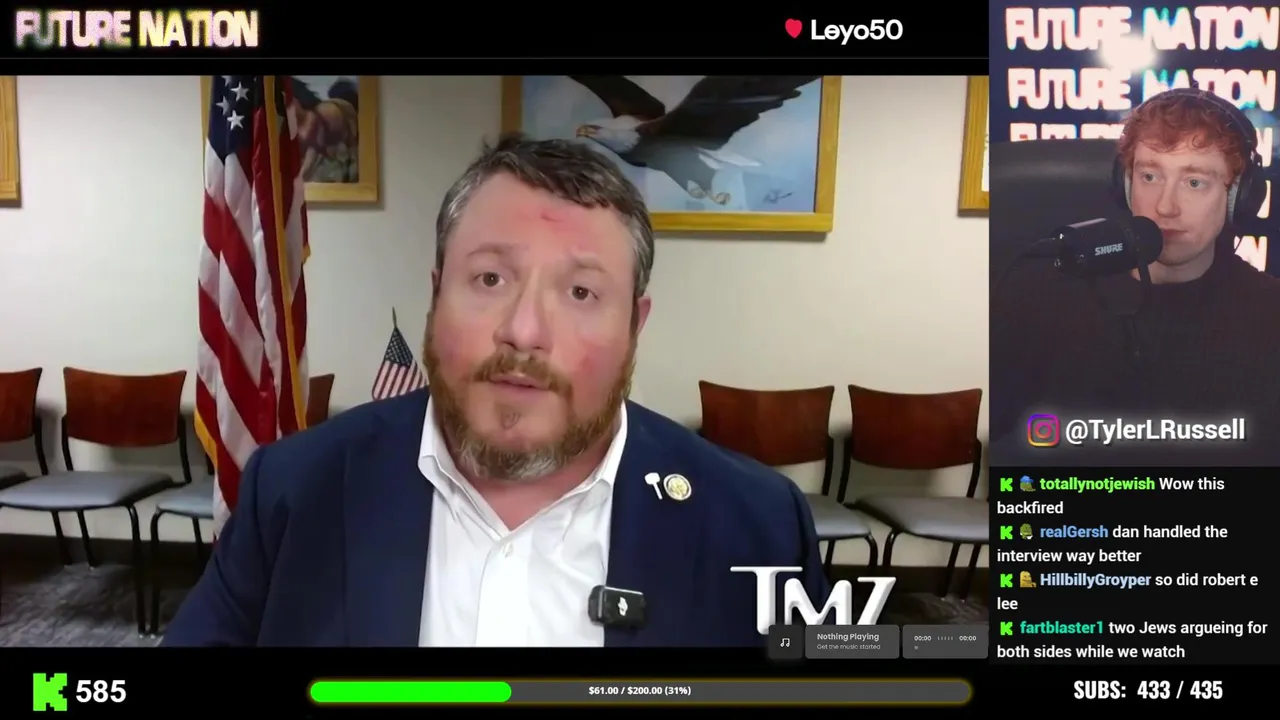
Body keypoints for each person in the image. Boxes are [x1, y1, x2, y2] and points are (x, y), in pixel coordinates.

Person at [163, 133, 828, 647]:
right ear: (435, 298)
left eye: (581, 292)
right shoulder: (292, 490)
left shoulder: (758, 527)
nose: (524, 331)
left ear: (635, 326)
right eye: (489, 279)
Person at [991, 89, 1280, 465]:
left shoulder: (1270, 316)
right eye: (1149, 176)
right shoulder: (1038, 294)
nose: (1165, 206)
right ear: (1125, 185)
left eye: (1194, 182)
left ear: (1240, 197)